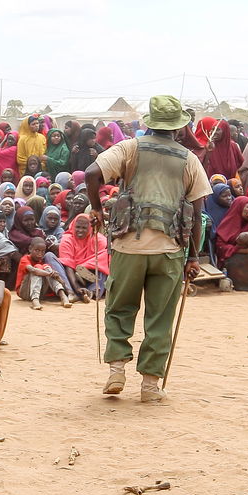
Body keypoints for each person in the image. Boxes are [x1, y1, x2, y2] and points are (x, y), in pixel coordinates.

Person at [87, 96, 210, 402]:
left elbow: (91, 173)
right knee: (160, 317)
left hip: (128, 245)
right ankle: (150, 386)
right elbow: (196, 213)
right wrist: (193, 256)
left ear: (150, 122)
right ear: (180, 127)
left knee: (119, 308)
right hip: (168, 250)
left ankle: (117, 369)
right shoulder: (189, 159)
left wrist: (96, 210)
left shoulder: (129, 148)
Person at [18, 236, 73, 310]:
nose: (40, 254)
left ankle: (62, 295)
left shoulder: (43, 262)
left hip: (40, 292)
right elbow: (33, 270)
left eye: (42, 251)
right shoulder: (25, 259)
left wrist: (56, 276)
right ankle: (35, 300)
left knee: (46, 267)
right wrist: (49, 274)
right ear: (30, 249)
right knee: (38, 268)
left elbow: (60, 280)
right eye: (37, 250)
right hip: (25, 292)